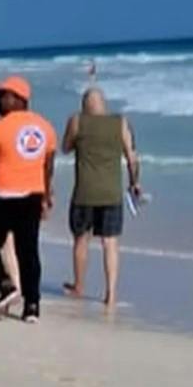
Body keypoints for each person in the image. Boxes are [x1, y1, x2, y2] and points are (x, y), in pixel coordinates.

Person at [0, 76, 56, 322]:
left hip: (2, 196)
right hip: (32, 196)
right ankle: (32, 305)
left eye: (3, 95)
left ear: (18, 99)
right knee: (28, 251)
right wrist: (45, 195)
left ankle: (6, 285)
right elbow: (48, 166)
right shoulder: (46, 127)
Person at [62, 88, 142, 308]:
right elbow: (132, 157)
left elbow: (65, 148)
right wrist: (134, 183)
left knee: (81, 239)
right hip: (111, 194)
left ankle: (79, 286)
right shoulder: (121, 123)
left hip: (84, 192)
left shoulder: (77, 121)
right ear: (104, 104)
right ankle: (111, 294)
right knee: (110, 243)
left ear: (84, 106)